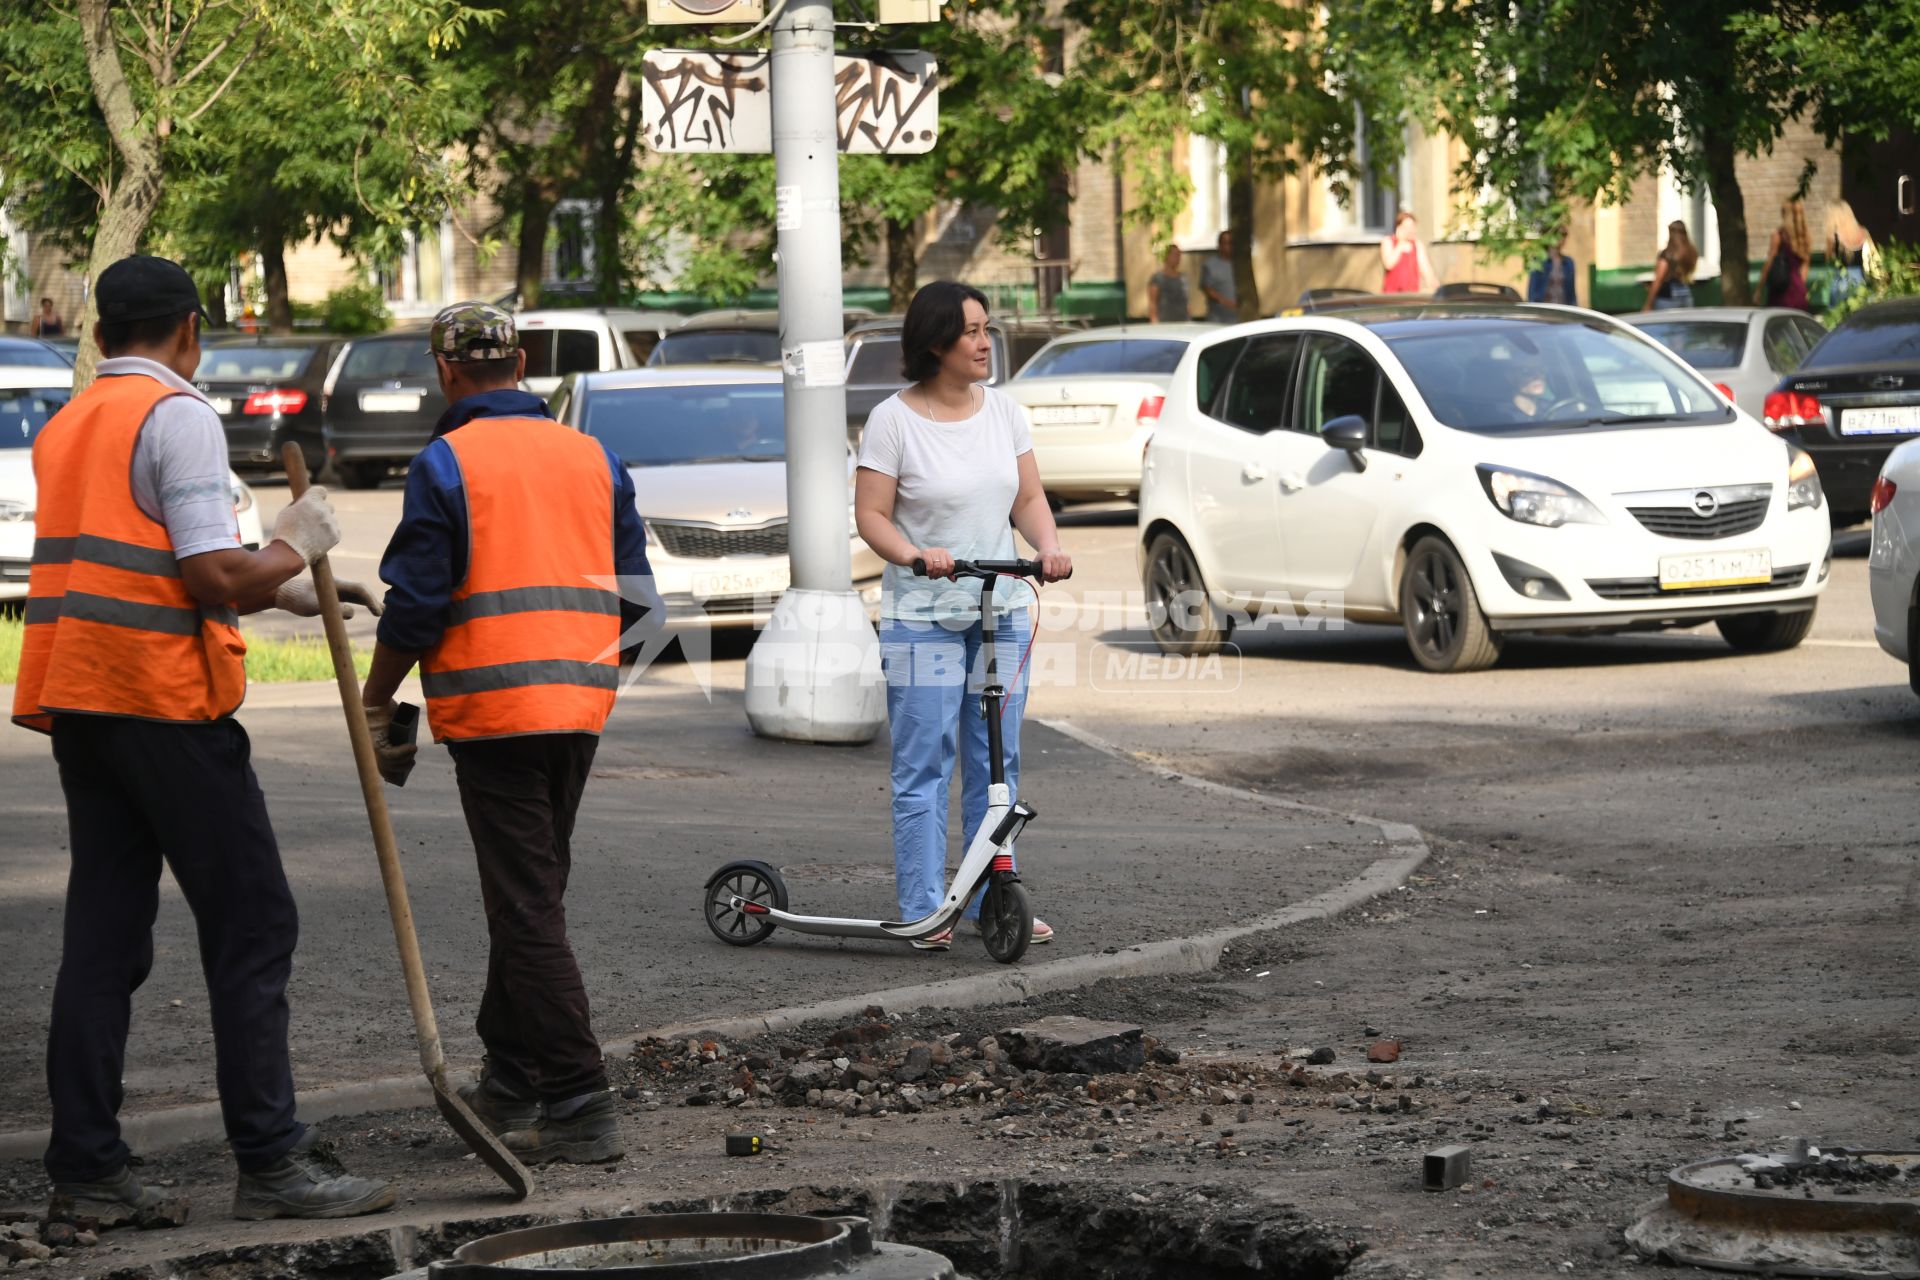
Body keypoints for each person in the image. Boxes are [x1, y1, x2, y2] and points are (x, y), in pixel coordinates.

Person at [12, 254, 392, 1225]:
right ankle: (271, 1158)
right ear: (191, 329)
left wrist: (296, 587)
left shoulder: (72, 424)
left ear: (99, 336)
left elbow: (162, 563)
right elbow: (213, 578)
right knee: (254, 922)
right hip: (167, 709)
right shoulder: (176, 415)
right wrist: (296, 543)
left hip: (84, 704)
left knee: (103, 937)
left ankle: (88, 1170)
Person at [358, 302, 653, 1166]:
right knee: (532, 897)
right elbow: (642, 605)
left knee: (525, 905)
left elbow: (416, 605)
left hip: (494, 715)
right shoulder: (593, 456)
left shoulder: (446, 461)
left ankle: (577, 1097)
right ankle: (513, 1078)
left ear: (445, 371)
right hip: (578, 708)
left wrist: (378, 698)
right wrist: (588, 678)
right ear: (521, 363)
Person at [853, 281, 1072, 952]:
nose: (985, 342)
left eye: (986, 327)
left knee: (997, 766)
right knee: (925, 764)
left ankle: (992, 903)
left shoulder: (1004, 413)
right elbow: (871, 516)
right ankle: (926, 910)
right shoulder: (893, 421)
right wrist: (915, 555)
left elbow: (1028, 496)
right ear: (935, 345)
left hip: (1000, 609)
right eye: (972, 331)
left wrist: (1049, 546)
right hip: (924, 616)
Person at [1761, 201, 1812, 312]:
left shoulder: (1778, 235)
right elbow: (1805, 267)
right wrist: (1801, 287)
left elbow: (1770, 262)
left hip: (1781, 292)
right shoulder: (1804, 236)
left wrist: (1759, 289)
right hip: (1799, 292)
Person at [1826, 199, 1875, 306]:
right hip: (1861, 279)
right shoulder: (1863, 232)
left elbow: (1828, 257)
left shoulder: (1833, 236)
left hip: (1841, 279)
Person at [1644, 221, 1698, 311]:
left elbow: (1659, 279)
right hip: (1686, 295)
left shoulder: (1667, 254)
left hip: (1667, 298)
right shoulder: (1691, 252)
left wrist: (1648, 304)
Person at [1380, 211, 1436, 294]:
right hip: (1392, 296)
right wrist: (1400, 244)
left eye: (1412, 226)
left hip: (1411, 296)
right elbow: (1389, 264)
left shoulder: (1417, 244)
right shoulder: (1388, 241)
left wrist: (1434, 285)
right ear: (1398, 227)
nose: (1410, 230)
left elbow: (1426, 269)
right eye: (1406, 227)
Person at [1200, 230, 1238, 323]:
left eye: (1230, 243)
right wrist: (1226, 302)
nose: (1228, 246)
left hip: (1236, 319)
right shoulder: (1210, 265)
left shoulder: (1239, 266)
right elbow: (1207, 289)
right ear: (1219, 245)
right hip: (1217, 319)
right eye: (1225, 243)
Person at [1526, 235, 1576, 305]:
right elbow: (1533, 290)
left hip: (1564, 309)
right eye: (1561, 234)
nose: (1564, 238)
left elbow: (1572, 292)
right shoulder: (1538, 261)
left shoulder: (1568, 262)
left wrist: (1574, 309)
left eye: (1565, 234)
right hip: (1545, 309)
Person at [1148, 245, 1189, 323]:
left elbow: (1186, 302)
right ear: (1167, 256)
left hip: (1183, 322)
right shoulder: (1158, 278)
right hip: (1165, 323)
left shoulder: (1183, 278)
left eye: (1179, 255)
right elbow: (1152, 302)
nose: (1178, 258)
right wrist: (1154, 321)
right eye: (1175, 255)